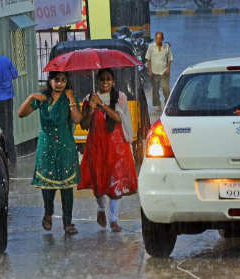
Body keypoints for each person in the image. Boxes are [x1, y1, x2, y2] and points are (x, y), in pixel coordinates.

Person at [18, 71, 82, 235]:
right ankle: (48, 213)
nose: (59, 83)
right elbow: (21, 113)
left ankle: (68, 223)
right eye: (56, 80)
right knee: (47, 185)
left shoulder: (69, 99)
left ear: (66, 82)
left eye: (63, 80)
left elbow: (76, 119)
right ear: (50, 81)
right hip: (46, 146)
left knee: (67, 187)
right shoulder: (42, 99)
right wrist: (31, 97)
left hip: (65, 146)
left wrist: (71, 100)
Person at [78, 69, 137, 232]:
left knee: (115, 182)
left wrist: (101, 105)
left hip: (116, 146)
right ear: (98, 82)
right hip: (96, 145)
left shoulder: (120, 97)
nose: (105, 82)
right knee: (99, 183)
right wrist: (90, 109)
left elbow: (118, 118)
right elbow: (84, 125)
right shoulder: (89, 98)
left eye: (108, 79)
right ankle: (100, 209)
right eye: (102, 79)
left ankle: (113, 220)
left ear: (113, 82)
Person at [145, 31, 174, 111]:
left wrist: (168, 68)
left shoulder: (166, 47)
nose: (158, 40)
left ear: (162, 39)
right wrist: (149, 70)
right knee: (155, 89)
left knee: (165, 88)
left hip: (164, 72)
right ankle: (158, 105)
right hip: (154, 72)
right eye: (157, 38)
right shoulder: (151, 47)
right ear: (155, 38)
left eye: (160, 38)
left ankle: (167, 104)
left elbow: (169, 59)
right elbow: (148, 59)